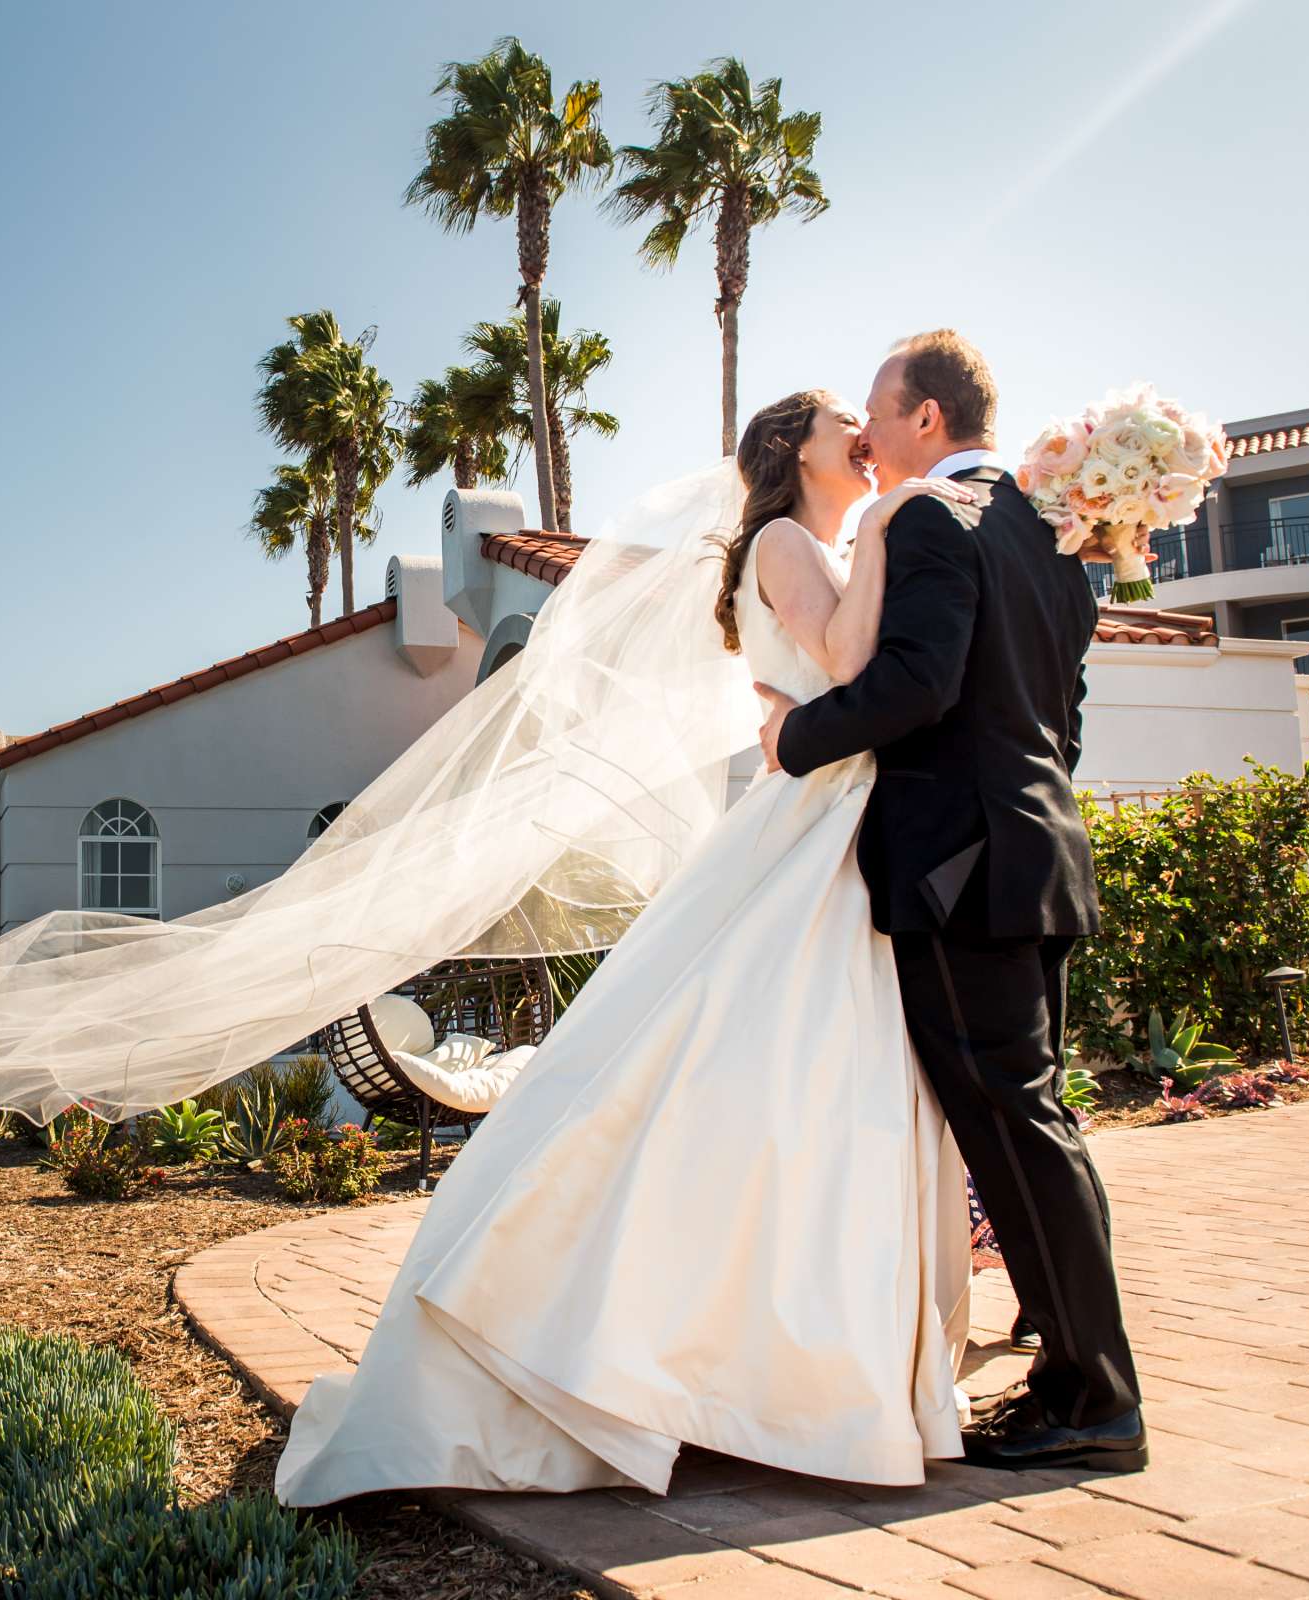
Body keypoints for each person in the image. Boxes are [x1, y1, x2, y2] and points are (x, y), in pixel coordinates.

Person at [275, 389, 985, 1505]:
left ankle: (762, 1361)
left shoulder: (817, 539)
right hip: (812, 822)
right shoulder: (792, 540)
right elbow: (851, 665)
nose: (861, 431)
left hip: (838, 818)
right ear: (791, 451)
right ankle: (661, 1351)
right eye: (839, 419)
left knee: (785, 1089)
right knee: (742, 1070)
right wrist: (896, 520)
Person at [755, 330, 1145, 1472]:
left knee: (1015, 1125)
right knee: (1036, 1125)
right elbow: (1061, 714)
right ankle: (1077, 1375)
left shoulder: (931, 516)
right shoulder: (1046, 533)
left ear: (926, 418)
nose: (867, 433)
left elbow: (916, 683)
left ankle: (1095, 1397)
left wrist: (795, 739)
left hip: (959, 868)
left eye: (878, 410)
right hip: (1035, 854)